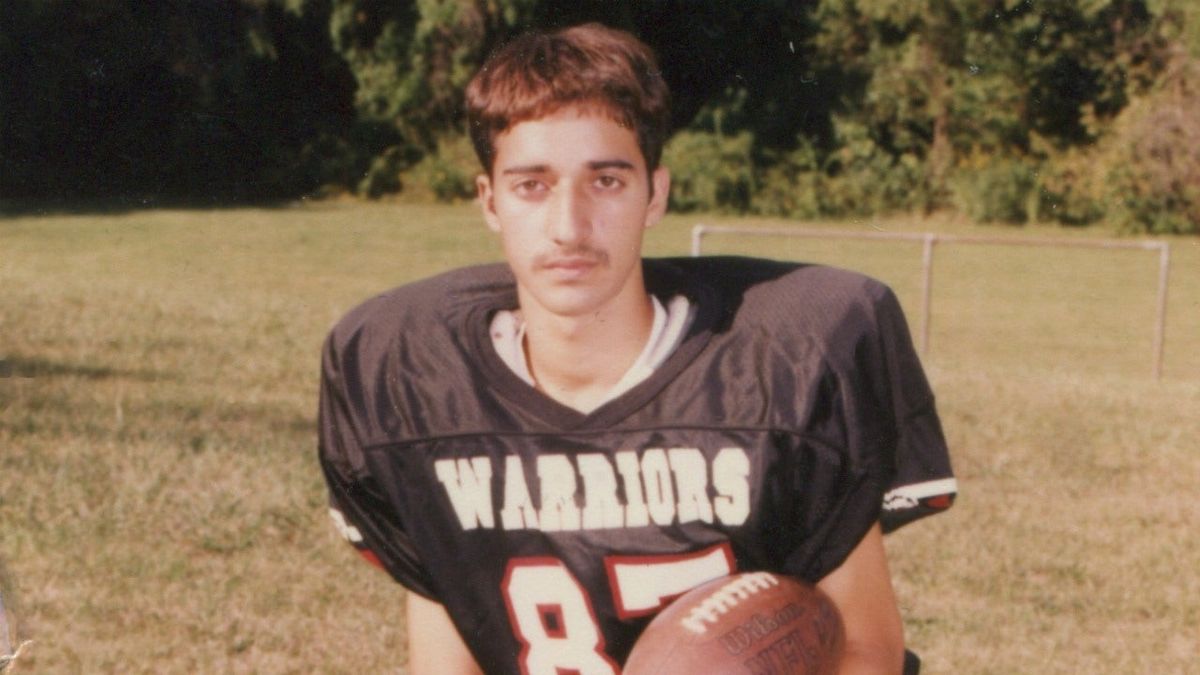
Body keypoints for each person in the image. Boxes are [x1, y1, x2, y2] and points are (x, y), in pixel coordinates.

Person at [319, 23, 955, 674]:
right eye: (531, 184)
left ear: (657, 193)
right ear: (489, 201)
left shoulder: (789, 360)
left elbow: (863, 648)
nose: (569, 227)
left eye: (607, 181)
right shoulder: (413, 377)